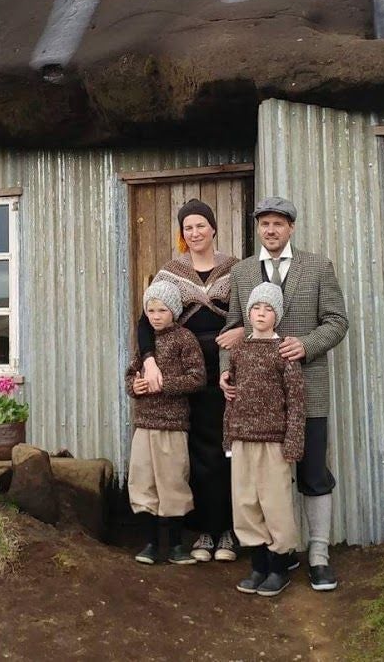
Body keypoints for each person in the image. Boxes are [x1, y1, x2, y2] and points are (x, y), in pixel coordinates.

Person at [220, 196, 348, 591]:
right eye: (264, 224)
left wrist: (306, 345)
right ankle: (277, 556)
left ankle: (319, 555)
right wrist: (227, 373)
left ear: (291, 227)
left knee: (311, 473)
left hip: (306, 390)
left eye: (278, 223)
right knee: (263, 483)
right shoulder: (242, 273)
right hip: (256, 403)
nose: (271, 230)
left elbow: (337, 321)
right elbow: (233, 328)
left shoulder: (318, 266)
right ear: (257, 229)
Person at [135, 199, 241, 562]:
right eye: (188, 228)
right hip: (182, 374)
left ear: (213, 228)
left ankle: (226, 531)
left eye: (200, 225)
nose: (195, 233)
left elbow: (251, 313)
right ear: (182, 235)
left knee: (225, 449)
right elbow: (144, 322)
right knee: (190, 454)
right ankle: (201, 533)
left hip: (226, 372)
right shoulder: (170, 273)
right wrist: (149, 362)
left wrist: (238, 335)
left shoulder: (236, 269)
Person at [222, 282, 305, 597]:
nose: (261, 313)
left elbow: (296, 401)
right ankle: (258, 566)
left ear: (277, 315)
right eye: (256, 307)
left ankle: (278, 567)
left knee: (275, 503)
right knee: (246, 502)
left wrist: (293, 440)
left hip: (273, 441)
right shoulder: (240, 349)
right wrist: (228, 435)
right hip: (242, 437)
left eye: (268, 308)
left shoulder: (284, 351)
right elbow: (232, 394)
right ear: (248, 312)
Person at [126, 283, 207, 565]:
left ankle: (175, 546)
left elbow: (198, 378)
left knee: (173, 482)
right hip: (144, 424)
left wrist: (163, 385)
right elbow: (130, 374)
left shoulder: (185, 340)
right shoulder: (145, 345)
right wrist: (135, 385)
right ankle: (150, 544)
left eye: (162, 310)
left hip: (172, 426)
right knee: (143, 481)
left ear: (174, 311)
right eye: (151, 310)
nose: (156, 316)